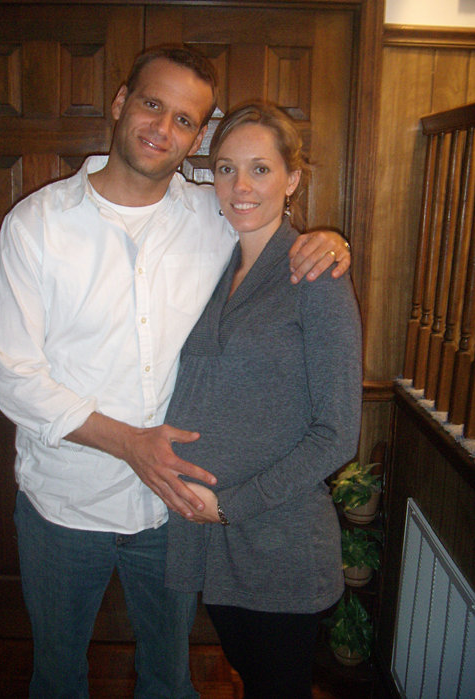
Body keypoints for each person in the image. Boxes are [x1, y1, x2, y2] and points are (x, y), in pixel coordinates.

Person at [0, 45, 351, 699]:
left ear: (197, 136)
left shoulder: (212, 215)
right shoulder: (37, 225)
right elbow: (13, 374)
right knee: (57, 676)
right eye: (152, 104)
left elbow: (268, 223)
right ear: (120, 102)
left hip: (171, 513)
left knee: (169, 677)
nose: (163, 128)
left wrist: (328, 239)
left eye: (184, 119)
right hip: (64, 503)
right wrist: (130, 443)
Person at [165, 102, 363, 699]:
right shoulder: (211, 266)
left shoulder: (314, 275)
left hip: (277, 541)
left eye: (260, 169)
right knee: (251, 678)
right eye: (227, 169)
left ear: (292, 179)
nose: (241, 186)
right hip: (208, 538)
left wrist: (229, 507)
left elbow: (337, 433)